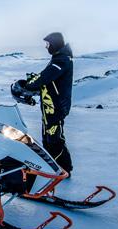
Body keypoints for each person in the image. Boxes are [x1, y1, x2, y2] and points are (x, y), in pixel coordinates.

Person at [24, 32, 74, 177]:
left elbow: (46, 76)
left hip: (56, 106)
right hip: (50, 106)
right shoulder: (58, 58)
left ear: (55, 44)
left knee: (54, 139)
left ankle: (64, 169)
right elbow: (46, 76)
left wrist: (30, 84)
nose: (47, 47)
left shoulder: (61, 60)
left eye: (48, 44)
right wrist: (33, 80)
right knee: (47, 138)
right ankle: (52, 168)